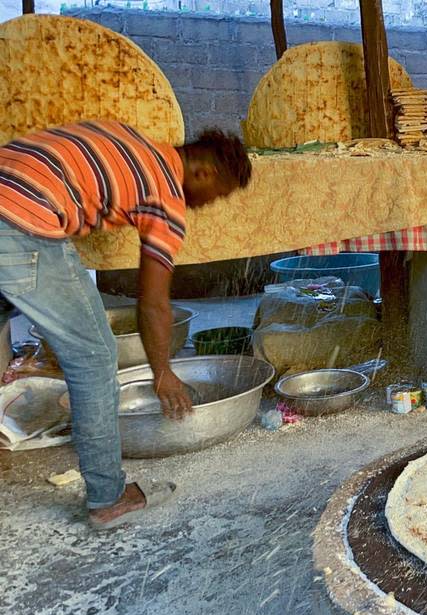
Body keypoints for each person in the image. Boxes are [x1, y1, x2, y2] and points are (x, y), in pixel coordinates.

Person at [0, 121, 252, 529]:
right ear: (204, 172)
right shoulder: (166, 195)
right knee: (96, 358)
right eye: (215, 196)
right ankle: (109, 498)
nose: (206, 205)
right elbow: (152, 304)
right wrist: (162, 372)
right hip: (21, 220)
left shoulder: (131, 140)